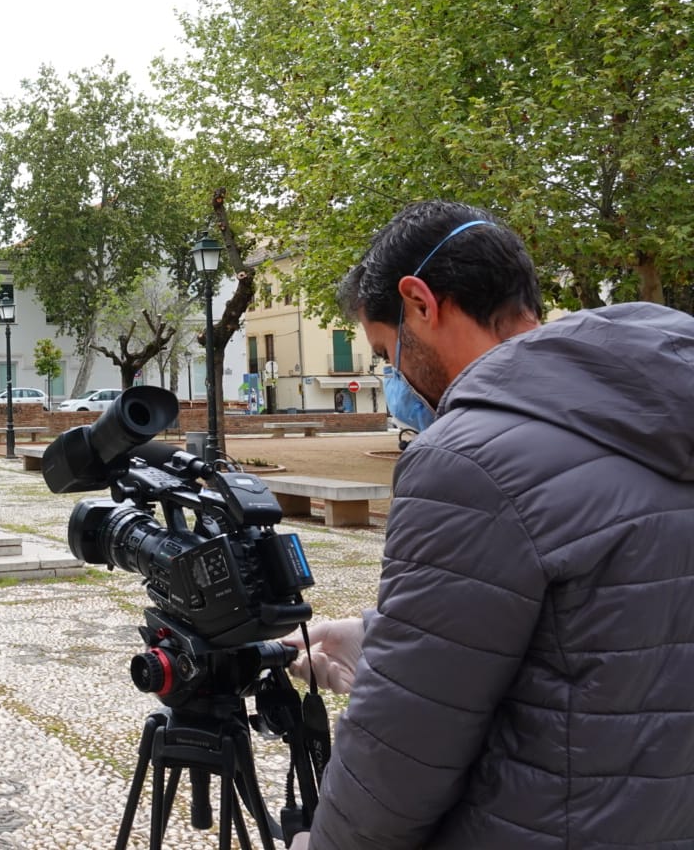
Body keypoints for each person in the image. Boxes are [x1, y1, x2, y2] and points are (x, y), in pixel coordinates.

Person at [286, 200, 694, 849]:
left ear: (421, 302)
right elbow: (608, 639)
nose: (395, 380)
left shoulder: (463, 462)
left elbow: (398, 760)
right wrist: (386, 639)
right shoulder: (656, 414)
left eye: (388, 354)